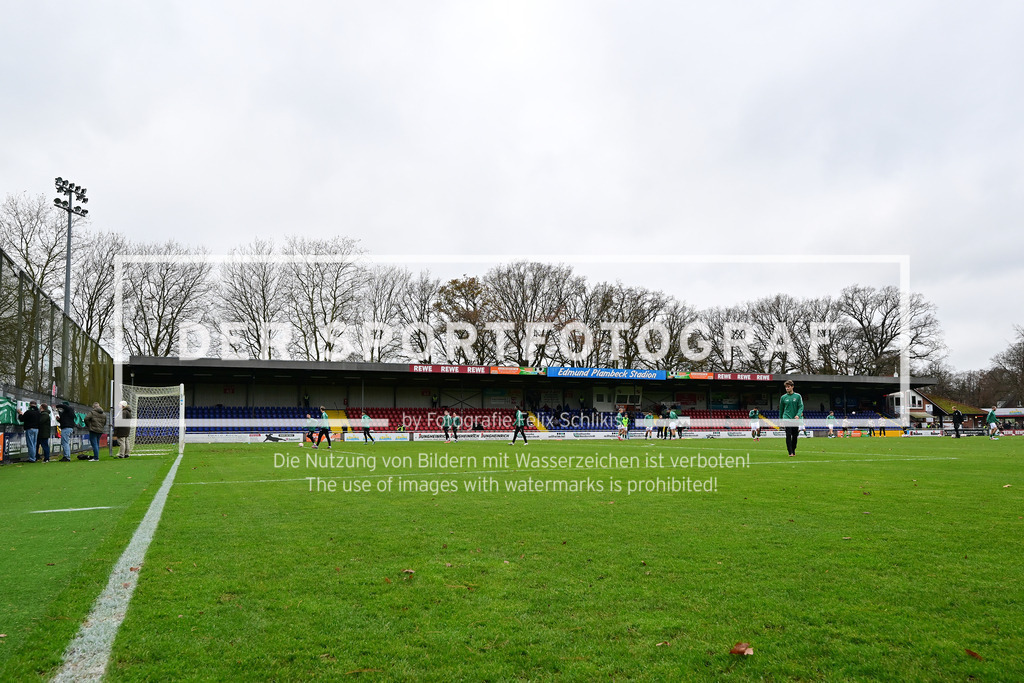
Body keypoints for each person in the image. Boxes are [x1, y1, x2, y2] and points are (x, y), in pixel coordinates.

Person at [778, 380, 804, 457]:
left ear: (792, 387)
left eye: (788, 387)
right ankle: (790, 452)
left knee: (795, 435)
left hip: (795, 419)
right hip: (786, 418)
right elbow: (781, 409)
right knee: (788, 434)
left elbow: (801, 406)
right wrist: (780, 420)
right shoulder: (783, 397)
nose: (787, 388)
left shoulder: (798, 396)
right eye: (786, 387)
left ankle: (793, 449)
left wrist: (798, 415)